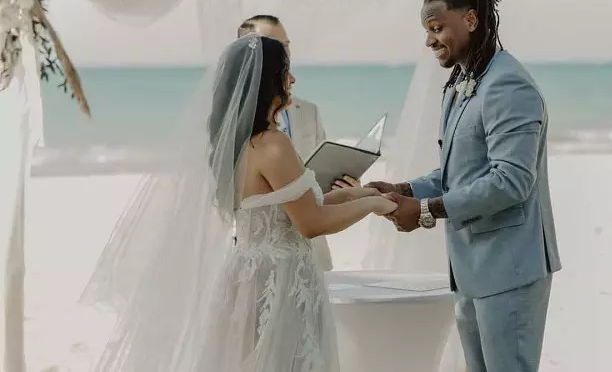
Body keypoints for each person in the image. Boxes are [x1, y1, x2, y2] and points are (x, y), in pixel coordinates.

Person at [82, 34, 397, 372]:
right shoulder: (274, 144)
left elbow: (281, 209)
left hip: (247, 274)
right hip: (282, 281)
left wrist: (356, 194)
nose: (292, 80)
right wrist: (374, 208)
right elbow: (311, 223)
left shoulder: (232, 144)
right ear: (268, 81)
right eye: (286, 71)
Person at [367, 0, 561, 372]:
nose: (430, 40)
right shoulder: (460, 83)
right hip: (472, 268)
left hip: (510, 268)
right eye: (426, 30)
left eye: (437, 28)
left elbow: (511, 181)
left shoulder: (507, 84)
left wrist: (424, 211)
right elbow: (458, 173)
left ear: (471, 20)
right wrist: (405, 190)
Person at [238, 14, 358, 270]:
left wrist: (346, 190)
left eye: (286, 44)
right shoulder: (234, 131)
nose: (284, 54)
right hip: (262, 257)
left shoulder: (308, 112)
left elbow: (313, 189)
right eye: (274, 44)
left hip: (312, 256)